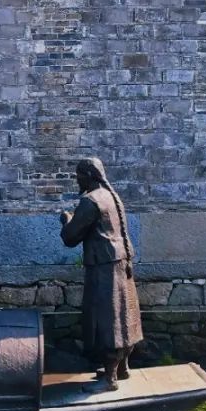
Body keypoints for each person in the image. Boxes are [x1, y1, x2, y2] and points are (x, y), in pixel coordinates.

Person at [59, 157, 143, 392]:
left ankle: (110, 379)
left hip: (103, 268)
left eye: (79, 176)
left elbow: (70, 237)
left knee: (106, 317)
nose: (77, 181)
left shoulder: (91, 201)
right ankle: (122, 368)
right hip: (120, 263)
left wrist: (66, 220)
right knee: (123, 314)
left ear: (88, 176)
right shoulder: (112, 197)